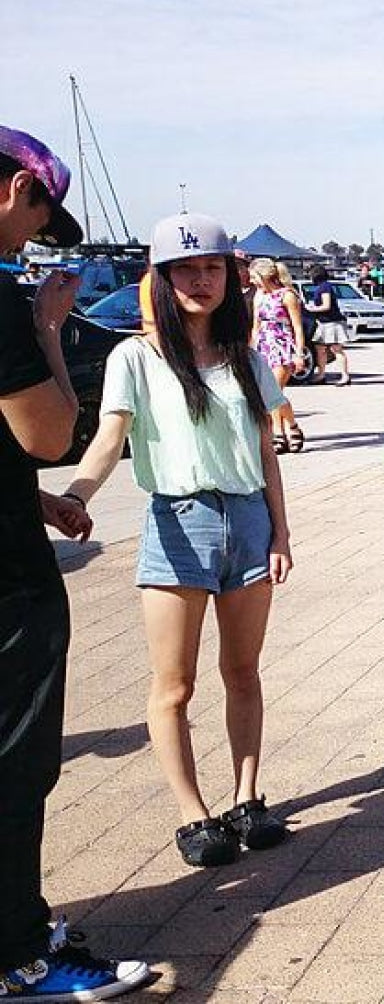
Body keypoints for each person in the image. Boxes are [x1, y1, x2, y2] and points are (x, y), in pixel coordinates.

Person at [65, 213, 295, 872]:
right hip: (177, 523)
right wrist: (76, 496)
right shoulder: (134, 357)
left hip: (248, 521)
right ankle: (193, 814)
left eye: (211, 268)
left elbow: (265, 449)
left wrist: (280, 530)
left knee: (243, 672)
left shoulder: (246, 358)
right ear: (162, 280)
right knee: (175, 685)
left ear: (229, 276)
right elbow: (109, 438)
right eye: (185, 270)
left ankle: (248, 797)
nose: (200, 280)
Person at [0, 126, 152, 1001]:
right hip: (4, 588)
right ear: (21, 187)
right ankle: (21, 955)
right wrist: (47, 333)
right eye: (33, 219)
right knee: (15, 764)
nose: (28, 241)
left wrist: (33, 500)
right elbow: (49, 433)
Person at [248, 258, 307, 452]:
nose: (252, 281)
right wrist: (251, 350)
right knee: (272, 393)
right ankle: (292, 426)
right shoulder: (259, 296)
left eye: (254, 277)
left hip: (282, 346)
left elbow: (297, 327)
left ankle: (279, 434)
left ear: (264, 275)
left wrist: (299, 353)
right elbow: (256, 326)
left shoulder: (287, 296)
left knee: (274, 391)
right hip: (264, 346)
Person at [303, 267, 352, 386]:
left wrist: (311, 308)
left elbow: (327, 305)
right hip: (324, 322)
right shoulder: (322, 287)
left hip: (332, 322)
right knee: (320, 349)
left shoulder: (325, 287)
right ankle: (321, 375)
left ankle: (345, 376)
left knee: (336, 349)